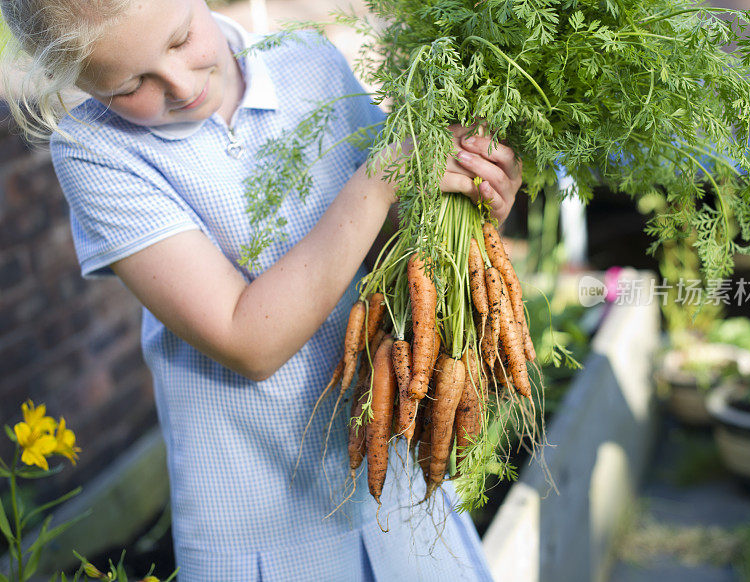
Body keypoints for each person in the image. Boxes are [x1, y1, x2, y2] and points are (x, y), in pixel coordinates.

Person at [0, 0, 523, 579]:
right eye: (129, 85)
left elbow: (387, 246)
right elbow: (247, 339)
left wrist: (469, 195)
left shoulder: (307, 60)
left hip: (398, 483)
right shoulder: (95, 151)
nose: (179, 85)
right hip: (261, 527)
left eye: (179, 40)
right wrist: (379, 180)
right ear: (77, 83)